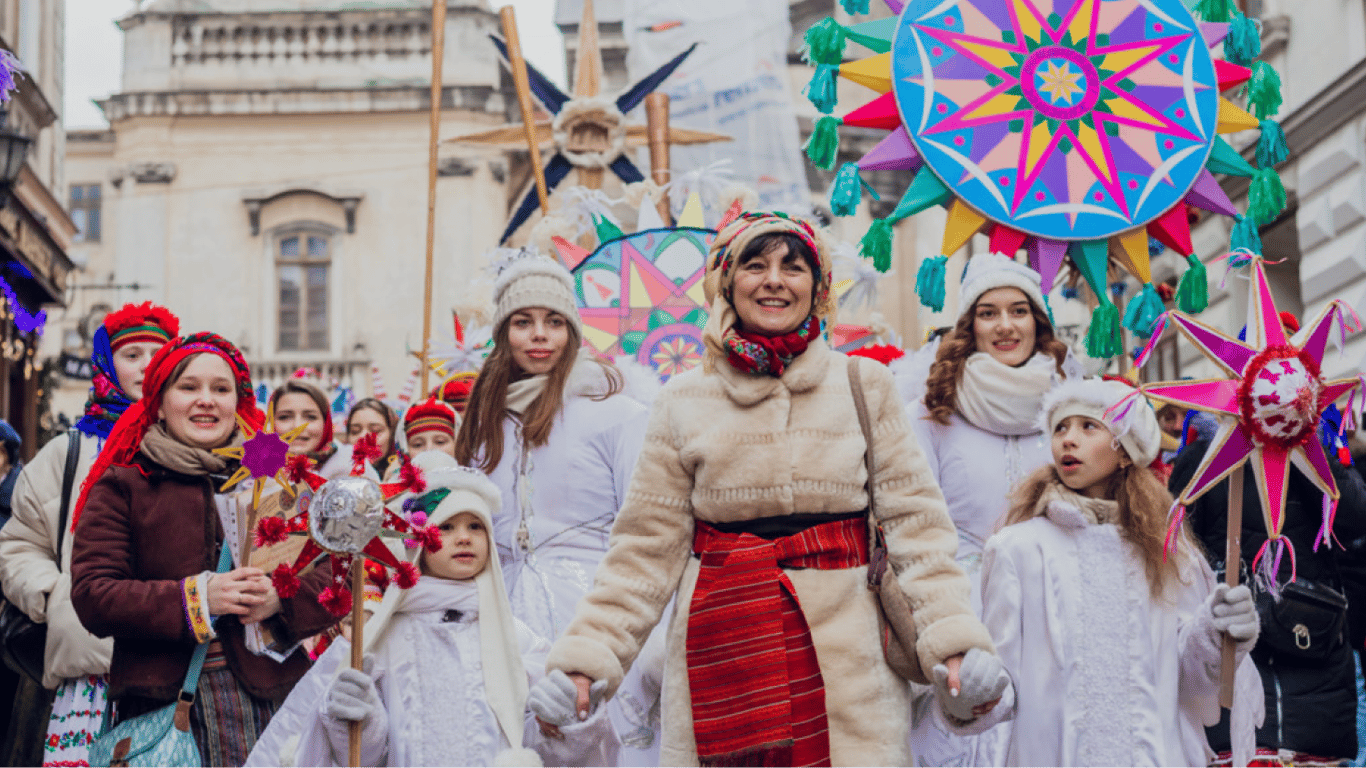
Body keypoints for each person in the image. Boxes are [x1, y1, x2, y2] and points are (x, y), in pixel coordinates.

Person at [542, 211, 1005, 767]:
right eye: (755, 265)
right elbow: (643, 553)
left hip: (852, 668)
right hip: (720, 655)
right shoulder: (681, 401)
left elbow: (917, 530)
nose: (774, 281)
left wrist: (953, 639)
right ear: (726, 282)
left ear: (818, 287)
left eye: (793, 267)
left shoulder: (865, 386)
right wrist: (587, 661)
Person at [247, 451, 618, 768]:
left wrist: (562, 721)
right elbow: (368, 756)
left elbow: (539, 750)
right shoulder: (380, 640)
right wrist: (356, 720)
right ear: (418, 543)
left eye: (476, 526)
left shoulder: (519, 641)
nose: (464, 537)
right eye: (447, 526)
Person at [70, 332, 338, 767]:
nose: (206, 400)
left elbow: (332, 575)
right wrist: (196, 598)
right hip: (167, 711)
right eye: (189, 387)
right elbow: (93, 595)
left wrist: (281, 598)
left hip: (277, 704)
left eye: (220, 389)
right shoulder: (124, 486)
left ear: (238, 402)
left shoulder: (275, 477)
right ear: (159, 403)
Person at [979, 377, 1262, 767]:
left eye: (1088, 426)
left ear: (1126, 452)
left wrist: (1217, 632)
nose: (1068, 440)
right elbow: (999, 681)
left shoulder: (1167, 552)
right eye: (1060, 428)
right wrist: (972, 689)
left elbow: (1191, 683)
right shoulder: (1016, 549)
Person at [452, 252, 659, 765]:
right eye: (523, 322)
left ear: (573, 331)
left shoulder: (617, 414)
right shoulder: (482, 426)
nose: (540, 335)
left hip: (592, 615)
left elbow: (647, 531)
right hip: (503, 620)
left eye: (554, 321)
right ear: (503, 334)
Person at [904, 251, 1070, 765]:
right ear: (968, 326)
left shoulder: (1069, 413)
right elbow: (912, 526)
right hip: (960, 610)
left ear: (1038, 323)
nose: (1005, 326)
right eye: (988, 312)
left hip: (1054, 609)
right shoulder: (930, 415)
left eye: (1019, 311)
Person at [0, 301, 177, 768]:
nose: (146, 366)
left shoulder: (199, 449)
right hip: (83, 674)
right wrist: (58, 598)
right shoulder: (67, 452)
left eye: (158, 355)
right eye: (132, 355)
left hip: (176, 670)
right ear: (106, 365)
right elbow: (18, 546)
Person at [1175, 415, 1366, 765]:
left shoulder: (1315, 450)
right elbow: (1176, 551)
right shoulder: (1204, 458)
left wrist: (1306, 447)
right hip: (1234, 650)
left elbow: (1354, 518)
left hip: (1314, 656)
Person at [271, 379, 356, 480]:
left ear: (326, 423)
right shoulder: (256, 477)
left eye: (310, 417)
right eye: (284, 417)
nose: (297, 426)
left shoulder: (353, 468)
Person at [345, 397, 399, 476]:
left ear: (392, 435)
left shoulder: (405, 474)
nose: (363, 436)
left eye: (375, 430)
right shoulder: (337, 473)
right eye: (355, 431)